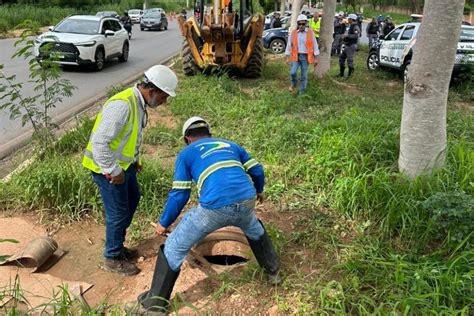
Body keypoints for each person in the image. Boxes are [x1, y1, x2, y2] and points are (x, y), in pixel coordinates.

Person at [128, 117, 281, 313]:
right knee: (254, 229)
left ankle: (154, 306)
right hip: (246, 201)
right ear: (209, 133)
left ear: (187, 138)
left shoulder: (187, 153)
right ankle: (273, 273)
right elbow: (257, 169)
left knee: (173, 248)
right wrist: (259, 190)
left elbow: (180, 194)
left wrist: (164, 223)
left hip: (214, 208)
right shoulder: (230, 144)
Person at [82, 65, 178, 276]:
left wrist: (135, 160)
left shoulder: (139, 103)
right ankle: (112, 256)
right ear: (152, 90)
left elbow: (130, 137)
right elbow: (100, 143)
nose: (164, 102)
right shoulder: (122, 105)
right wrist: (113, 171)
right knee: (118, 213)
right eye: (163, 97)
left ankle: (117, 244)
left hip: (124, 167)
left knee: (133, 199)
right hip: (105, 168)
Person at [285, 14, 320, 95]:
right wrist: (287, 57)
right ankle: (294, 84)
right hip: (295, 56)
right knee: (292, 72)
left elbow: (315, 46)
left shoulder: (310, 33)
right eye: (299, 24)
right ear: (297, 24)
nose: (301, 26)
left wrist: (316, 58)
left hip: (305, 57)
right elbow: (289, 45)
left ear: (306, 24)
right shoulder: (293, 33)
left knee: (304, 75)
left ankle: (301, 92)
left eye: (303, 24)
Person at [339, 14, 360, 78]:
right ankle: (341, 74)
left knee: (349, 60)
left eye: (349, 18)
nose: (348, 19)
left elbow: (356, 35)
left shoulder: (355, 27)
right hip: (347, 45)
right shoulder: (350, 25)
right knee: (342, 58)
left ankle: (350, 75)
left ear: (351, 19)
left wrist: (347, 36)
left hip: (351, 45)